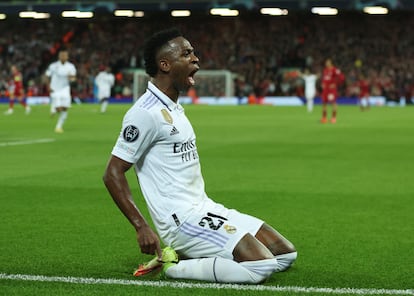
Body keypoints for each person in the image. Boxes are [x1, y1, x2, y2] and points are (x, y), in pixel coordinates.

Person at [103, 28, 297, 284]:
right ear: (165, 64)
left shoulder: (174, 107)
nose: (196, 59)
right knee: (261, 265)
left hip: (206, 208)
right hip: (181, 221)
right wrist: (141, 226)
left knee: (285, 254)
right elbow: (112, 172)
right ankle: (174, 267)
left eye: (193, 52)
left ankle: (203, 256)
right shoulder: (145, 113)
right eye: (187, 54)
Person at [45, 49, 77, 133]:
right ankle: (54, 108)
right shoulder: (53, 66)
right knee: (59, 109)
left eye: (65, 55)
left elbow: (73, 77)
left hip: (65, 88)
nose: (63, 57)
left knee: (65, 108)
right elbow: (47, 76)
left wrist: (72, 79)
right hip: (55, 89)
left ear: (67, 57)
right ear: (59, 56)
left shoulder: (71, 66)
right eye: (61, 55)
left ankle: (58, 126)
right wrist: (48, 86)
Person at [320, 59, 344, 123]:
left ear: (331, 63)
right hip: (325, 90)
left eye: (328, 62)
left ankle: (333, 118)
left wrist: (335, 84)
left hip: (331, 90)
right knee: (324, 103)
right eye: (326, 62)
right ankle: (324, 118)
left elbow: (342, 77)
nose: (326, 63)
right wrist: (322, 83)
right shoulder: (325, 70)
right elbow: (324, 78)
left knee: (333, 103)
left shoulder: (335, 70)